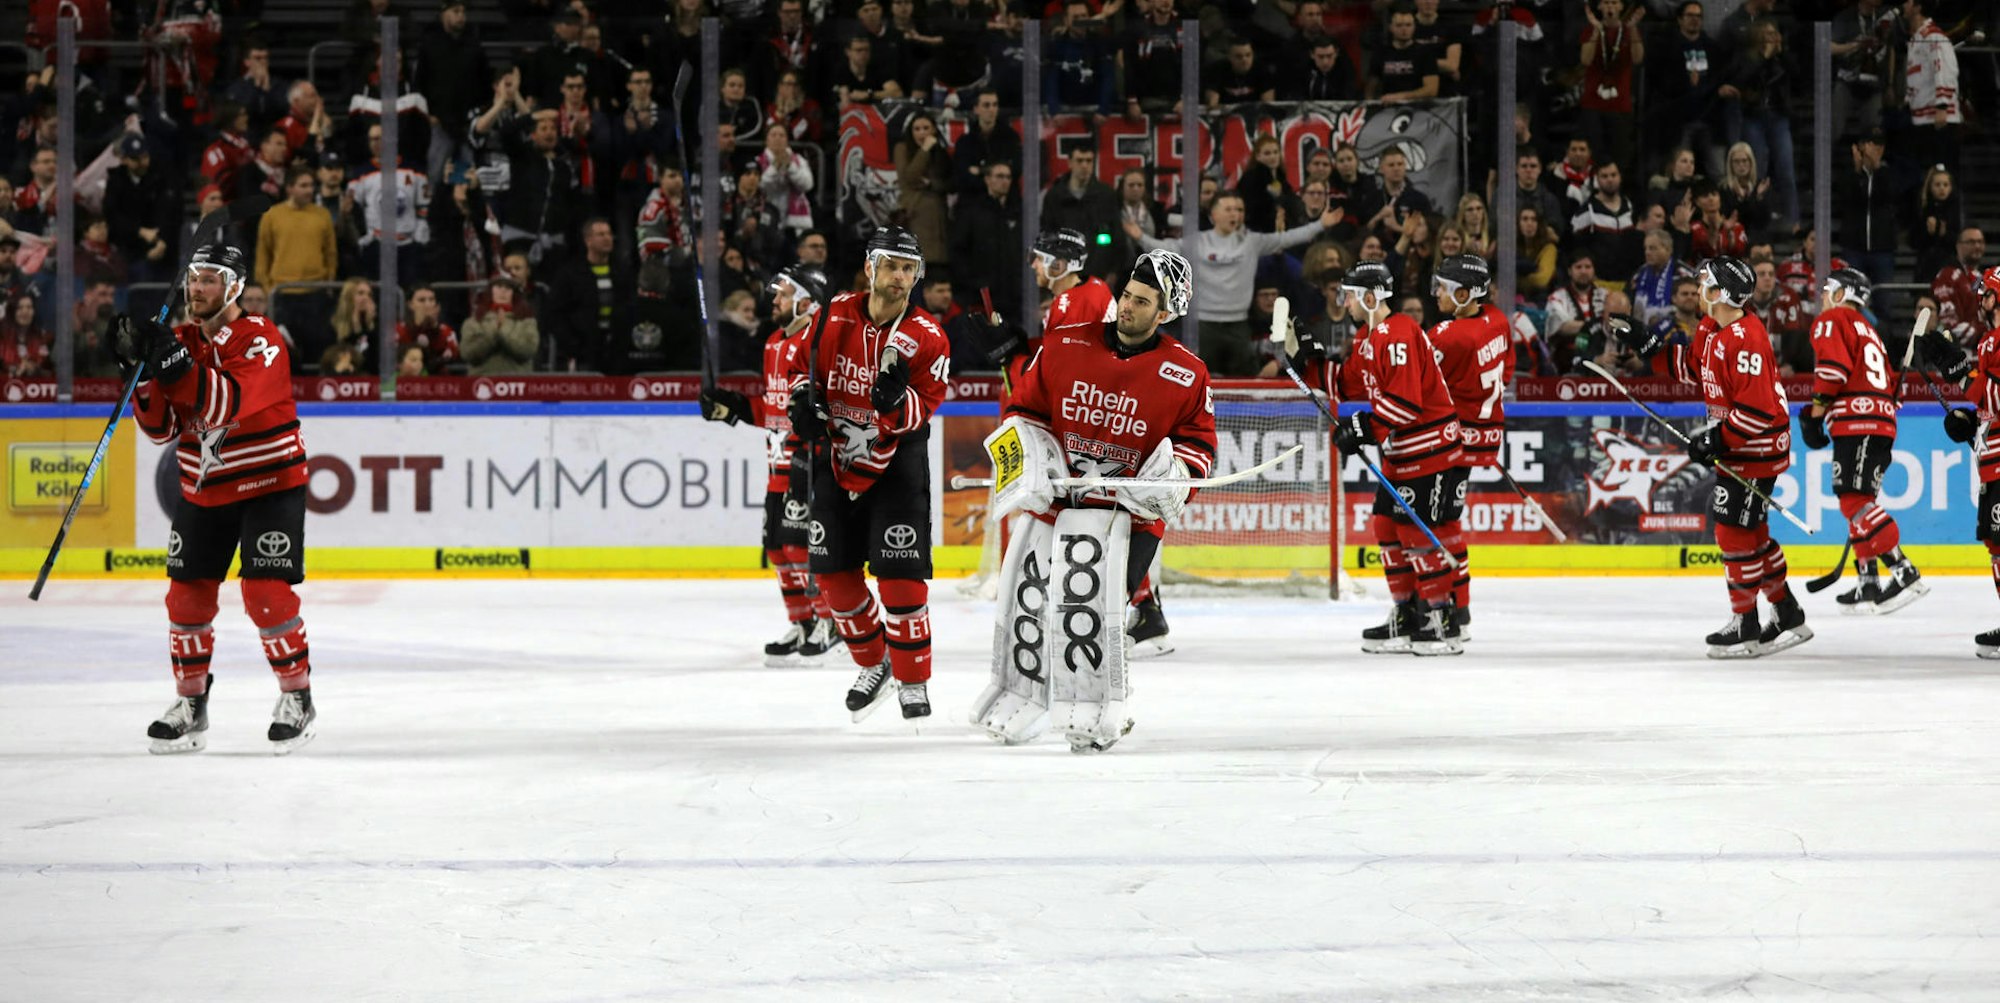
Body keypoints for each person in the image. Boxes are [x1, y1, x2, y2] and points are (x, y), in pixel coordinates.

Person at [974, 247, 1212, 751]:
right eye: (1127, 295)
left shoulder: (1186, 373)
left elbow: (1198, 447)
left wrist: (1176, 477)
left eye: (1142, 302)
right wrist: (1033, 463)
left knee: (1091, 613)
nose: (1127, 306)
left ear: (1164, 314)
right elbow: (1024, 411)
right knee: (1029, 602)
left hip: (1129, 517)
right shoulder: (1064, 344)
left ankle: (1099, 707)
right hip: (1058, 505)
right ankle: (1022, 697)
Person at [116, 243, 317, 754]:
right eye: (193, 278)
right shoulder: (181, 340)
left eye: (209, 279)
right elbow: (161, 430)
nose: (196, 288)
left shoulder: (261, 338)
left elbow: (224, 404)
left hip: (270, 484)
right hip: (203, 489)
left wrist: (174, 366)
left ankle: (297, 698)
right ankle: (191, 706)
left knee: (266, 595)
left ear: (234, 288)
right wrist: (140, 371)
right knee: (185, 599)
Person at [788, 226, 951, 721]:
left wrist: (895, 403)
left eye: (909, 268)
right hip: (836, 458)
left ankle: (913, 680)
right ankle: (875, 663)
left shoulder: (928, 336)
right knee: (833, 577)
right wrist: (802, 402)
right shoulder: (833, 312)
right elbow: (802, 369)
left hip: (896, 464)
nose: (900, 276)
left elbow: (924, 408)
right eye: (891, 266)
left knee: (900, 581)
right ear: (870, 267)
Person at [1618, 256, 1808, 657]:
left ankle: (1746, 623)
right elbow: (1693, 368)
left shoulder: (1747, 338)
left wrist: (1718, 439)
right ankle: (1786, 611)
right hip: (1741, 446)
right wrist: (1649, 345)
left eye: (1707, 282)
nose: (1700, 286)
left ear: (1722, 293)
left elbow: (1758, 411)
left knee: (1732, 533)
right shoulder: (1710, 327)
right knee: (1752, 532)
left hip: (1756, 449)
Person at [699, 265, 843, 666]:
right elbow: (775, 409)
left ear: (807, 301)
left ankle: (830, 622)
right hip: (777, 462)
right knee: (778, 548)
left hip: (809, 461)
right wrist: (734, 407)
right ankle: (803, 623)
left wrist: (819, 448)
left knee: (801, 547)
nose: (774, 300)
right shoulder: (774, 343)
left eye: (784, 294)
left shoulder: (820, 341)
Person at [1331, 261, 1466, 655]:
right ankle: (1407, 616)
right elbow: (1346, 385)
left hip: (1430, 450)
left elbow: (1406, 403)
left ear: (1371, 298)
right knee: (1386, 525)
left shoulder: (1399, 332)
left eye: (1351, 296)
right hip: (1402, 454)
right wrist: (1307, 359)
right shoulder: (1368, 337)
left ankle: (1441, 620)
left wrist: (1363, 428)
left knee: (1417, 533)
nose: (1347, 304)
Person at [1798, 268, 1926, 614]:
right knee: (1859, 501)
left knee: (1854, 501)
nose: (1823, 297)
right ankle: (1868, 581)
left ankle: (1904, 571)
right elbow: (1891, 390)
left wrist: (1815, 413)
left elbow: (1833, 371)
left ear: (1842, 294)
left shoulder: (1832, 319)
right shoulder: (1870, 330)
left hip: (1858, 423)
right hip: (1879, 422)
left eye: (1828, 290)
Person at [1125, 191, 1332, 376]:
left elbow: (1286, 239)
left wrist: (1320, 224)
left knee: (1246, 382)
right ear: (1213, 214)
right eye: (1229, 209)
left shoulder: (1252, 242)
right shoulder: (1197, 242)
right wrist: (1140, 236)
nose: (1235, 214)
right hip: (1204, 326)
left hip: (1238, 325)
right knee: (1197, 379)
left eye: (1239, 210)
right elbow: (1164, 249)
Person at [1425, 255, 1511, 641]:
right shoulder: (1497, 320)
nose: (1437, 294)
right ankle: (1459, 606)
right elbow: (1506, 371)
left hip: (1446, 442)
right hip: (1477, 437)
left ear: (1464, 294)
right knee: (1449, 521)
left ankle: (1443, 607)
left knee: (1433, 524)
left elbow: (1412, 381)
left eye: (1443, 288)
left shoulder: (1448, 336)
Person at [1919, 266, 2000, 657]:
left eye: (1986, 293)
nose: (1980, 300)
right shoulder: (1989, 341)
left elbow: (1995, 394)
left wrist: (1960, 373)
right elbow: (1990, 405)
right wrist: (1973, 421)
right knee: (1996, 543)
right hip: (1993, 460)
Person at [1903, 0, 1961, 176]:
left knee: (1943, 177)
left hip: (1937, 119)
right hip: (1921, 117)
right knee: (1926, 177)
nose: (1903, 5)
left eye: (1908, 2)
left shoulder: (1934, 36)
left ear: (1918, 7)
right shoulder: (1916, 39)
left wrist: (1942, 106)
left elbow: (1944, 71)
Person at [459, 276, 539, 375]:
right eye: (499, 286)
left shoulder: (527, 321)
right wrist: (494, 329)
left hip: (516, 381)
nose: (503, 291)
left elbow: (528, 350)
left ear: (514, 294)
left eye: (508, 288)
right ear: (491, 291)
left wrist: (503, 328)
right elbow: (467, 353)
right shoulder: (474, 321)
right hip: (482, 380)